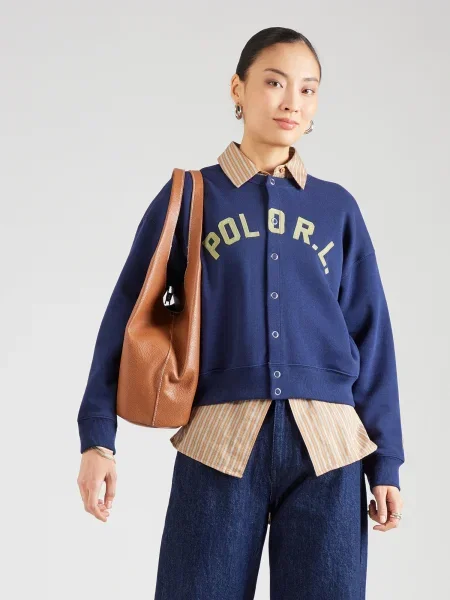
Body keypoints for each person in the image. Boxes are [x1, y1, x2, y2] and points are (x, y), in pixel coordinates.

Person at [77, 27, 405, 599]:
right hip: (219, 442)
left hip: (329, 450)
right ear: (238, 89)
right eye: (275, 83)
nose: (291, 102)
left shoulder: (337, 208)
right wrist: (97, 438)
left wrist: (387, 463)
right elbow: (128, 318)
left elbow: (371, 335)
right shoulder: (191, 197)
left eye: (307, 89)